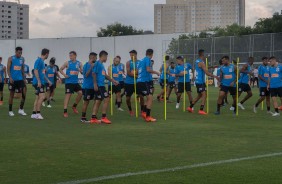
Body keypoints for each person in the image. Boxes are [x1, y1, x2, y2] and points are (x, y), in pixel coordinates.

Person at [90, 51, 119, 124]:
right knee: (106, 99)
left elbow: (105, 75)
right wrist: (95, 84)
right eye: (106, 57)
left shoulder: (101, 65)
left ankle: (93, 118)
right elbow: (93, 73)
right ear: (103, 56)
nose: (106, 58)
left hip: (101, 85)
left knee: (98, 101)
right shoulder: (97, 64)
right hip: (100, 86)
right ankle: (103, 117)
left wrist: (113, 81)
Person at [187, 49, 219, 115]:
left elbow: (204, 67)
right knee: (204, 95)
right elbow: (206, 73)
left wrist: (212, 66)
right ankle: (201, 110)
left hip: (200, 81)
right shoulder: (201, 62)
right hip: (200, 81)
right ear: (202, 54)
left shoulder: (198, 61)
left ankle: (190, 107)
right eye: (204, 54)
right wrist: (215, 76)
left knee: (199, 95)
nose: (205, 55)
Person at [137, 49, 160, 122]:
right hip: (144, 81)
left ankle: (144, 112)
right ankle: (148, 116)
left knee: (148, 97)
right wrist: (156, 72)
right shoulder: (148, 59)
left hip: (139, 81)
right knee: (150, 98)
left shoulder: (141, 61)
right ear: (151, 54)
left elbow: (138, 71)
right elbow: (148, 70)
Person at [60, 51, 83, 118]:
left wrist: (81, 71)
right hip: (69, 82)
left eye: (72, 55)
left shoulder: (79, 63)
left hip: (75, 82)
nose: (70, 57)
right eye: (70, 56)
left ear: (75, 55)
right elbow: (60, 69)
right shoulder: (67, 63)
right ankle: (65, 111)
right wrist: (64, 75)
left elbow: (82, 72)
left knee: (81, 93)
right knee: (68, 95)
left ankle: (74, 106)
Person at [7, 47, 27, 117]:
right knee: (11, 94)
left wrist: (24, 78)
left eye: (21, 53)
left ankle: (21, 109)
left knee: (24, 92)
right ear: (15, 52)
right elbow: (8, 69)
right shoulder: (11, 58)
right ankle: (10, 111)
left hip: (20, 79)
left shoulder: (22, 59)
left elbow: (22, 69)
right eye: (19, 52)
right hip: (13, 80)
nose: (20, 54)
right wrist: (10, 77)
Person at [31, 49, 50, 120]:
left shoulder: (42, 61)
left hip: (41, 82)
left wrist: (48, 80)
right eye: (48, 54)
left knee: (38, 98)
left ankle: (33, 114)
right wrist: (38, 81)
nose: (48, 55)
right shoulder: (39, 60)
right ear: (46, 54)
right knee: (42, 97)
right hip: (38, 83)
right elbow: (35, 70)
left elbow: (42, 73)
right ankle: (38, 114)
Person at [124, 50, 142, 116]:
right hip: (128, 83)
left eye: (132, 55)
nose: (131, 56)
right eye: (130, 55)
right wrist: (137, 75)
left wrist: (135, 73)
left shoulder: (140, 62)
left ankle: (142, 110)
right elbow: (128, 73)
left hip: (138, 83)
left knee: (141, 96)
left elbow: (140, 72)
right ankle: (130, 110)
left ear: (136, 55)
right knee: (128, 98)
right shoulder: (128, 63)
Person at [80, 52, 97, 123]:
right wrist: (91, 67)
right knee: (86, 102)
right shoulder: (86, 65)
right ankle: (83, 117)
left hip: (94, 87)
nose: (96, 59)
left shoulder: (95, 65)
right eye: (95, 57)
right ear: (92, 58)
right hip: (87, 87)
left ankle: (94, 116)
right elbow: (86, 75)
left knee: (96, 101)